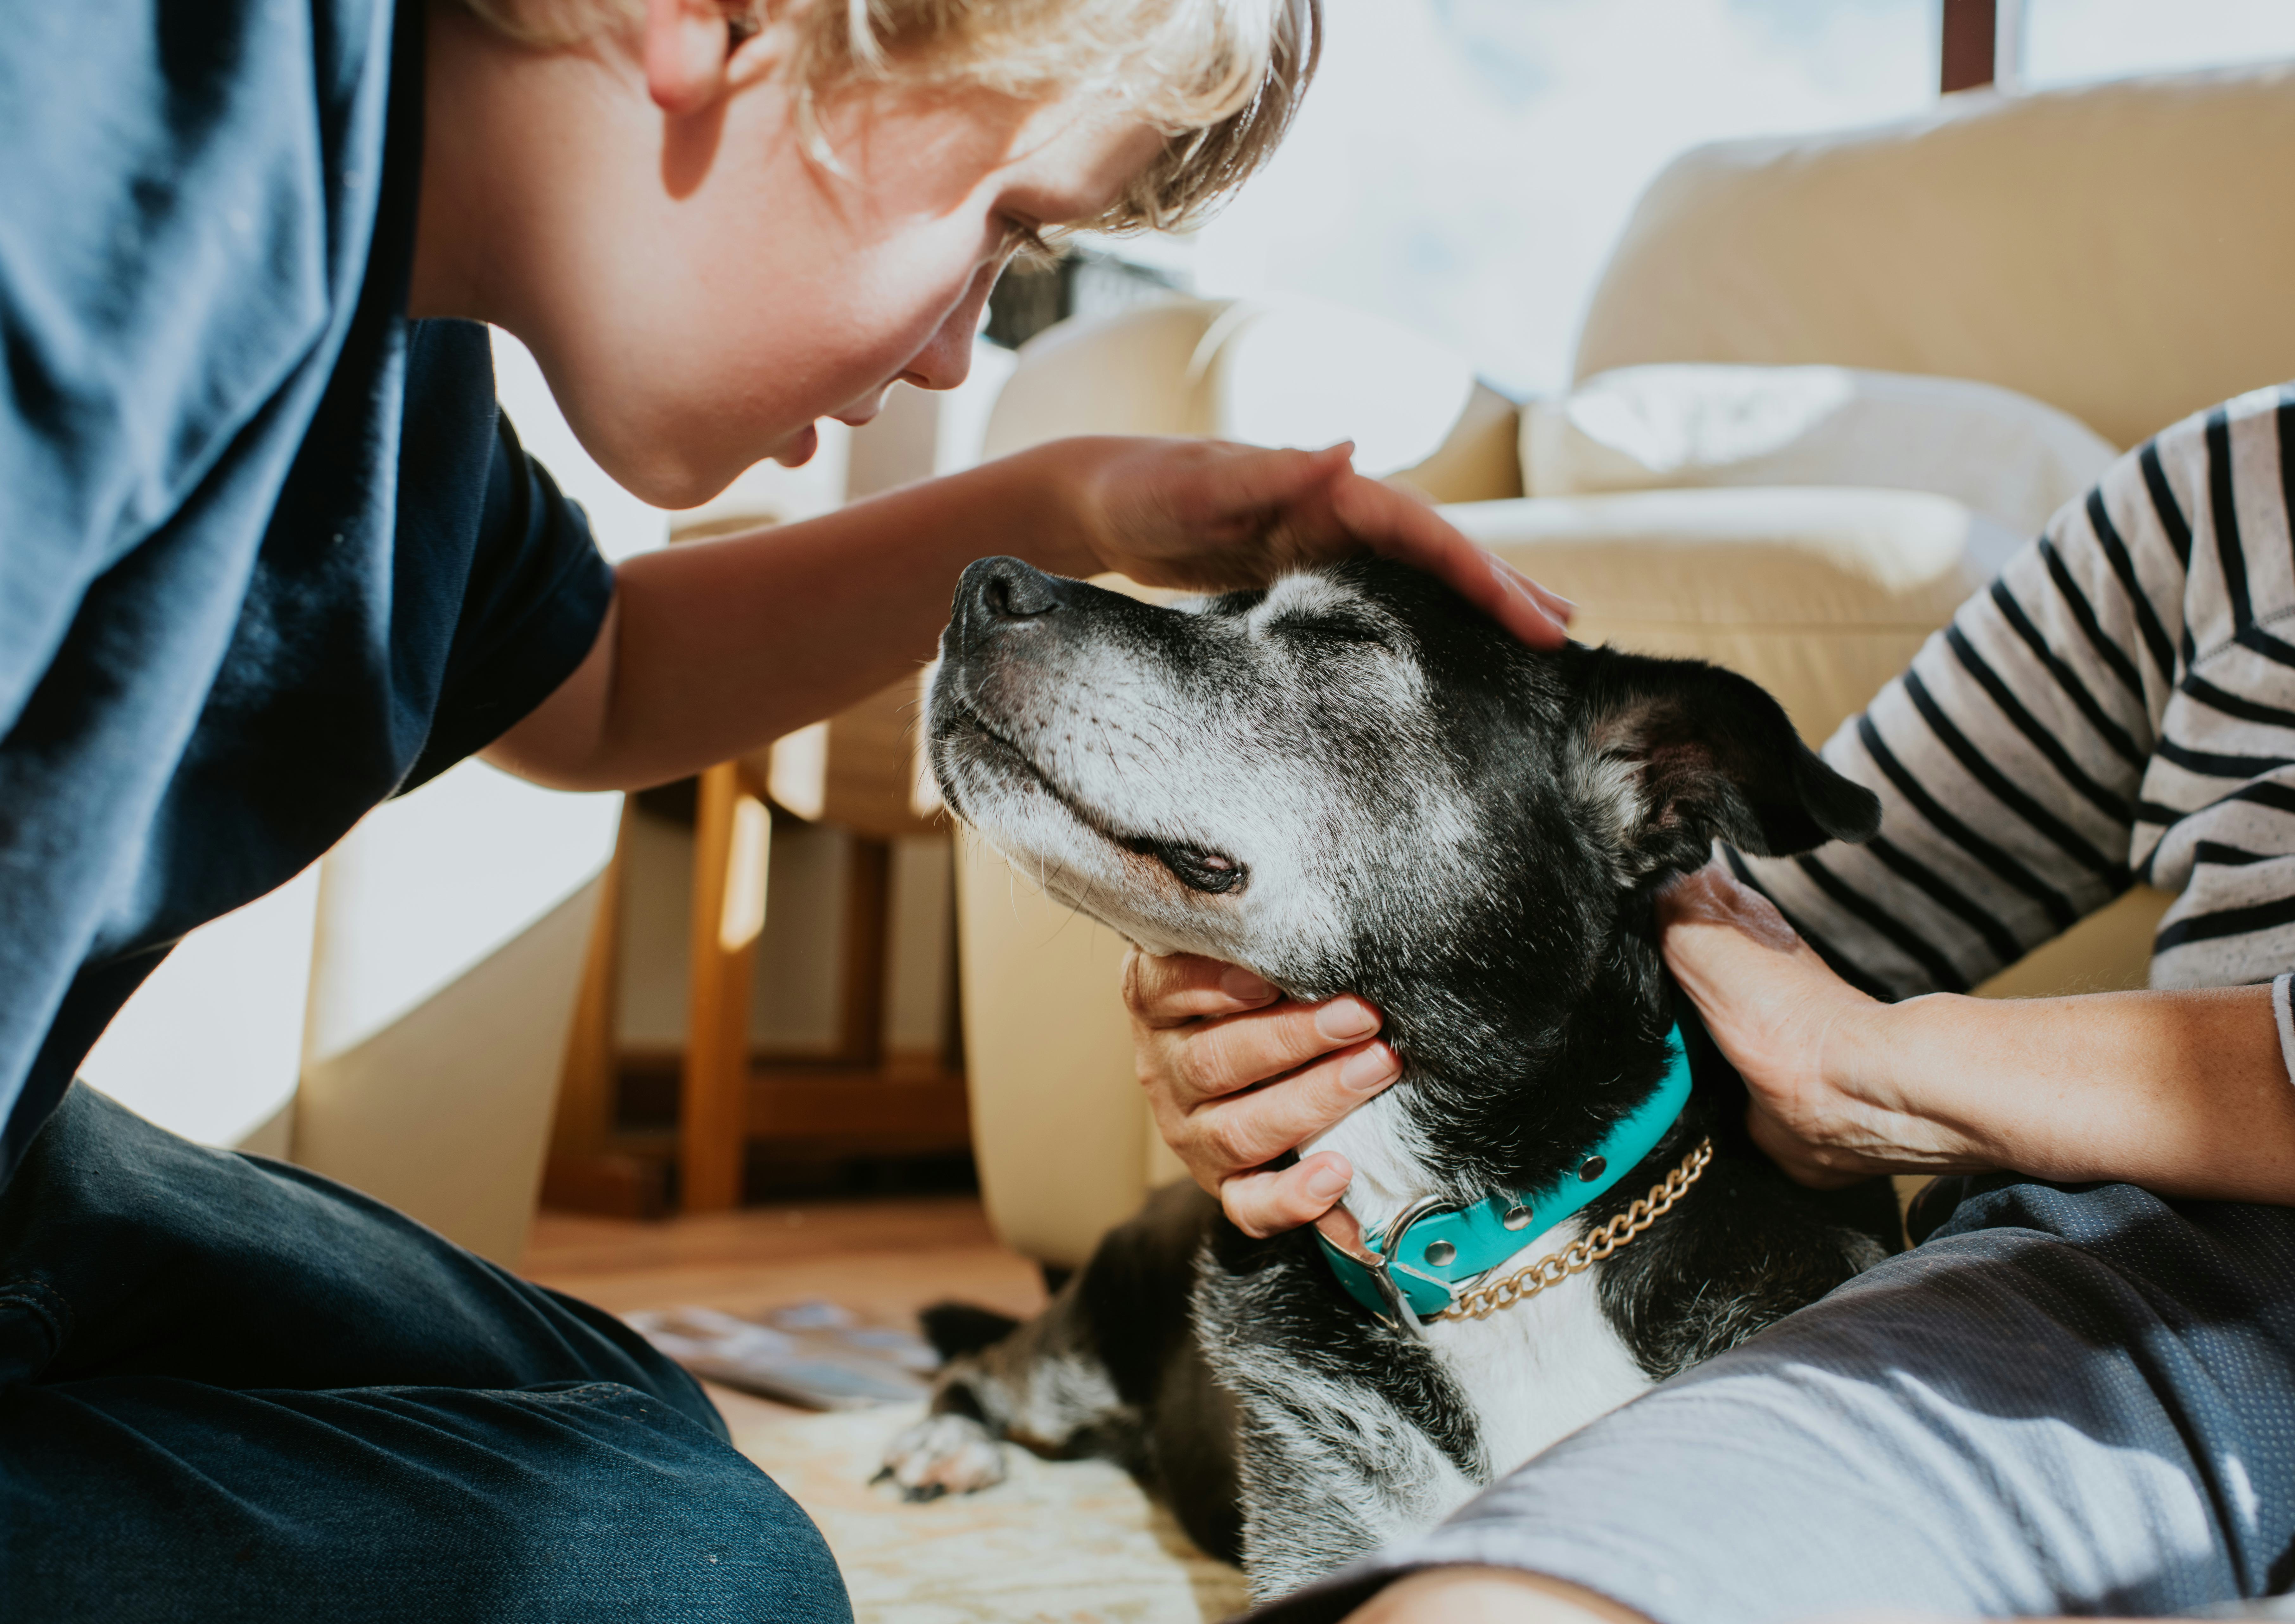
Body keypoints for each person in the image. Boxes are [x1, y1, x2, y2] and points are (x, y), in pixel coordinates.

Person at [0, 0, 1578, 1616]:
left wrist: (1081, 500)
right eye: (1000, 229)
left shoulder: (402, 362)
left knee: (604, 1417)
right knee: (690, 1576)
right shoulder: (86, 180)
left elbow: (596, 680)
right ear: (715, 21)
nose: (965, 347)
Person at [1131, 384, 2295, 1622]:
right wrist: (1269, 983)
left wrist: (1883, 1063)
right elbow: (1761, 909)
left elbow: (1828, 1038)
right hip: (2162, 1312)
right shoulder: (2232, 496)